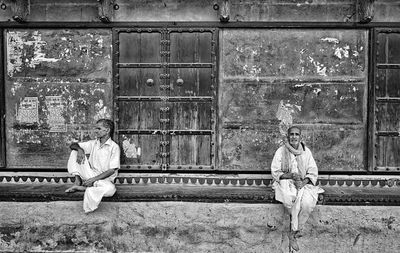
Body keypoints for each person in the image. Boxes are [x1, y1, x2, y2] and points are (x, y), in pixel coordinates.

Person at [271, 126, 324, 251]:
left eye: (296, 134)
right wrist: (290, 175)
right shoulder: (281, 151)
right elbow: (275, 171)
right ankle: (293, 231)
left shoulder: (306, 152)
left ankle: (294, 231)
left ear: (301, 137)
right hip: (286, 182)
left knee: (306, 203)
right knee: (291, 199)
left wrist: (303, 182)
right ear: (288, 136)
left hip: (303, 184)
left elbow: (312, 171)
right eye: (292, 134)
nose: (294, 137)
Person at [65, 119, 120, 214]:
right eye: (96, 128)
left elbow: (112, 170)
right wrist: (79, 149)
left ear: (107, 130)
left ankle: (84, 189)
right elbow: (73, 145)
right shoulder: (93, 143)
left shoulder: (114, 147)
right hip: (90, 175)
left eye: (99, 128)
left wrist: (94, 179)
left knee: (111, 190)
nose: (96, 131)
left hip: (104, 180)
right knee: (75, 151)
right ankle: (78, 181)